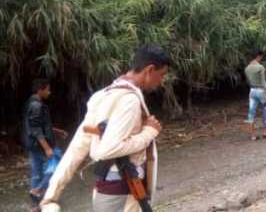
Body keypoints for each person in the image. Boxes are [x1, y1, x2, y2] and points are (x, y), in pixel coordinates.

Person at [41, 45, 168, 212]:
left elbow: (77, 148)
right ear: (150, 70)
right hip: (123, 193)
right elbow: (108, 150)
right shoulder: (129, 100)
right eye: (162, 75)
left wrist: (51, 194)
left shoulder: (102, 95)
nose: (161, 80)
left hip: (107, 190)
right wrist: (149, 132)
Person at [23, 79, 68, 211]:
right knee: (58, 166)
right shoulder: (37, 106)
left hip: (33, 144)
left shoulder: (31, 103)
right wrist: (47, 148)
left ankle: (36, 204)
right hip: (42, 145)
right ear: (40, 90)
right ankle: (39, 190)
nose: (49, 92)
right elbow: (36, 129)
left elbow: (37, 125)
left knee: (37, 172)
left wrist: (57, 130)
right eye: (47, 89)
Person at [244, 50, 266, 140]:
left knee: (251, 112)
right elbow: (263, 81)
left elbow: (249, 81)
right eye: (261, 57)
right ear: (258, 56)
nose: (261, 59)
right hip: (261, 90)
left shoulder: (247, 68)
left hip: (252, 91)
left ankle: (253, 135)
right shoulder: (260, 67)